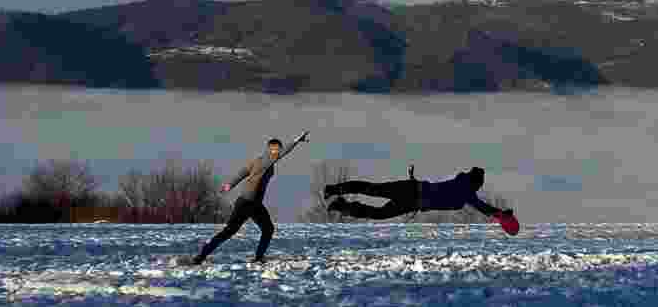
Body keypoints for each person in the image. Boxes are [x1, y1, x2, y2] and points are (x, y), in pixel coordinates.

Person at [189, 131, 309, 265]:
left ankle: (258, 258)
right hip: (247, 202)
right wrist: (296, 141)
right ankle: (200, 256)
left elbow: (242, 172)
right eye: (274, 149)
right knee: (229, 231)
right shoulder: (267, 159)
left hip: (254, 203)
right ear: (269, 149)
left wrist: (230, 185)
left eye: (278, 149)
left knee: (268, 229)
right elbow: (283, 153)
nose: (276, 151)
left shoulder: (259, 160)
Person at [324, 165, 514, 223]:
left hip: (413, 197)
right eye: (479, 185)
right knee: (374, 198)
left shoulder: (462, 185)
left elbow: (481, 206)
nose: (479, 188)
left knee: (374, 197)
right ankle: (337, 196)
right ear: (476, 182)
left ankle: (339, 200)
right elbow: (483, 207)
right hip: (412, 193)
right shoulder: (466, 190)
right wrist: (502, 215)